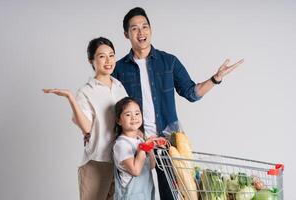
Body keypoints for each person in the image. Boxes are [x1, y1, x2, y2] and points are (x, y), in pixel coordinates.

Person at [112, 7, 244, 200]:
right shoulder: (119, 68)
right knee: (135, 195)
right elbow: (111, 106)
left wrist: (216, 78)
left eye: (144, 26)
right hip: (135, 143)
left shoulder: (168, 61)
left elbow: (191, 93)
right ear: (126, 34)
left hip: (168, 143)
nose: (141, 32)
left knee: (172, 196)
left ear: (151, 29)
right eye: (134, 28)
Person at [43, 37, 127, 200]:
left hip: (120, 162)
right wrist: (71, 98)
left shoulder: (119, 86)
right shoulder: (86, 91)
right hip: (97, 162)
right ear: (92, 60)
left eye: (111, 55)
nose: (108, 60)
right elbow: (87, 128)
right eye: (102, 56)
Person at [113, 97, 156, 200]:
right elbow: (136, 171)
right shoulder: (122, 144)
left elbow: (151, 165)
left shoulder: (139, 140)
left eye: (137, 113)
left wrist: (149, 148)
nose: (134, 117)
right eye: (128, 114)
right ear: (119, 120)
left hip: (145, 193)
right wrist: (143, 148)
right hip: (131, 196)